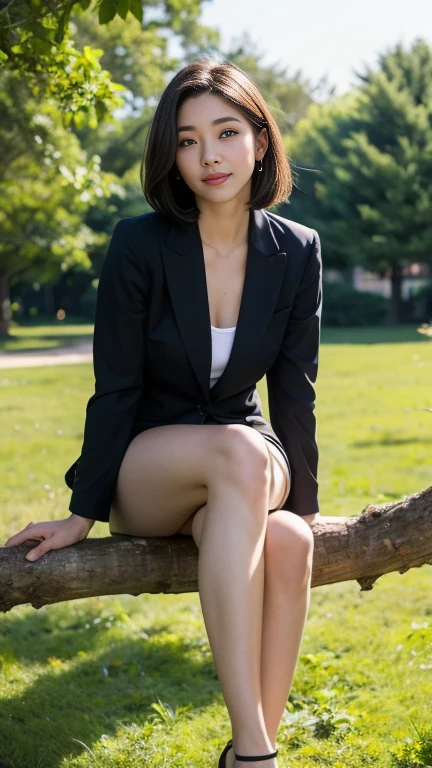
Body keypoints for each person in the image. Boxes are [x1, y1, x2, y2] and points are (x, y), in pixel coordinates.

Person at [5, 56, 323, 768]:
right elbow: (115, 386)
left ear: (261, 141)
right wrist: (80, 513)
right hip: (152, 463)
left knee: (292, 544)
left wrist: (303, 507)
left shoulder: (297, 251)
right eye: (186, 139)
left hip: (244, 452)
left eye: (227, 131)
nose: (208, 155)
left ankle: (250, 753)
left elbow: (294, 387)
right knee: (236, 455)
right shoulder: (138, 245)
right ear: (169, 153)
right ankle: (255, 752)